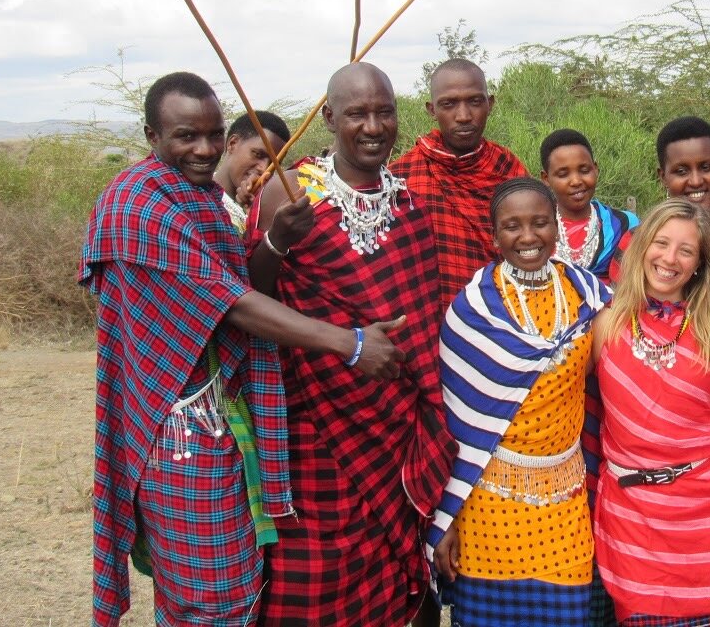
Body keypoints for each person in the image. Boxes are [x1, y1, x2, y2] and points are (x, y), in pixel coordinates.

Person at [83, 71, 406, 627]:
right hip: (176, 429)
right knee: (210, 598)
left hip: (226, 422)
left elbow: (242, 286)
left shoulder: (202, 198)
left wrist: (277, 238)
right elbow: (230, 303)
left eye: (213, 134)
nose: (205, 149)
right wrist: (348, 343)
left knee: (239, 585)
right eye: (187, 136)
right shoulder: (136, 207)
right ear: (151, 135)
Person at [249, 63, 456, 626]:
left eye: (384, 112)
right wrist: (275, 243)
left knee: (402, 573)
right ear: (329, 117)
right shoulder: (288, 192)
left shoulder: (411, 205)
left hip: (397, 427)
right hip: (318, 429)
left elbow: (421, 321)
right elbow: (247, 300)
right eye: (358, 113)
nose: (372, 126)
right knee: (314, 584)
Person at [593, 198, 710, 627]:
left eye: (686, 250)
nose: (669, 259)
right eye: (661, 243)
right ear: (641, 247)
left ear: (700, 264)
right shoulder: (606, 324)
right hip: (633, 518)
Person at [431, 177, 610, 627]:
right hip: (487, 507)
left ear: (556, 228)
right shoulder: (470, 311)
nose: (528, 236)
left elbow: (647, 322)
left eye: (540, 223)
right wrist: (447, 518)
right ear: (494, 236)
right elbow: (457, 427)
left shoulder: (588, 294)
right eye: (512, 225)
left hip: (565, 502)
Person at [390, 58, 527, 303]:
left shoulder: (507, 167)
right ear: (432, 110)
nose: (463, 116)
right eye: (449, 104)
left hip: (508, 311)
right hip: (434, 316)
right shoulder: (402, 178)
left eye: (475, 102)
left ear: (490, 104)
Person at [612, 116, 710, 293]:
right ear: (663, 176)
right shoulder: (638, 242)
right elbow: (622, 310)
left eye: (706, 168)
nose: (696, 181)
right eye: (681, 171)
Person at [539, 127, 638, 281]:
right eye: (563, 174)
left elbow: (635, 284)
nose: (576, 181)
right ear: (546, 178)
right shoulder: (535, 229)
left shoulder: (624, 224)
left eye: (584, 170)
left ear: (596, 169)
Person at [214, 109, 290, 233]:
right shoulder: (198, 202)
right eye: (258, 154)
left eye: (274, 164)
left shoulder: (266, 211)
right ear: (232, 144)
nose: (265, 169)